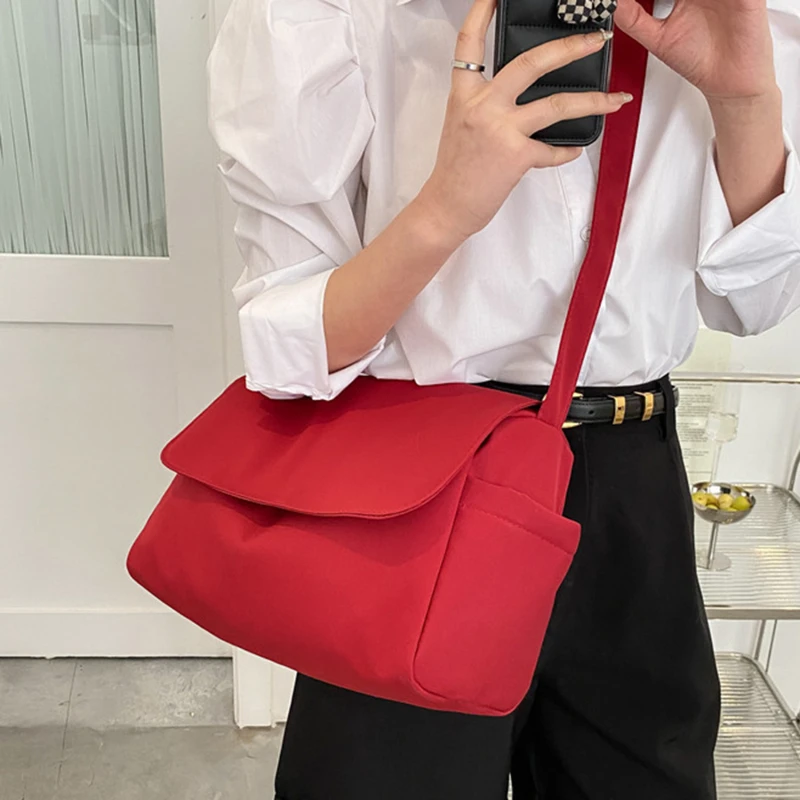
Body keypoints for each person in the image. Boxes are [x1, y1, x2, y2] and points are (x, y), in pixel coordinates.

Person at [207, 0, 800, 797]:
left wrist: (744, 102)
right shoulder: (326, 15)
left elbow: (753, 304)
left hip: (633, 487)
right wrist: (446, 208)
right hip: (422, 490)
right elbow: (288, 350)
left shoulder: (733, 12)